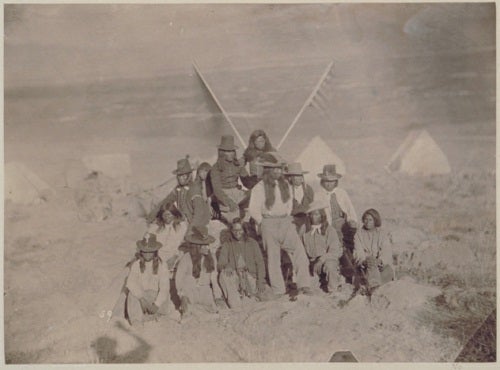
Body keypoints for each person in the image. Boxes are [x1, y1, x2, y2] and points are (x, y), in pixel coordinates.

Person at [248, 152, 312, 297]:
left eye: (279, 168)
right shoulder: (259, 187)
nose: (278, 171)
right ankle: (278, 290)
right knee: (273, 257)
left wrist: (287, 216)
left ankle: (304, 285)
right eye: (274, 169)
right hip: (268, 223)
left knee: (299, 252)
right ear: (267, 170)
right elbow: (253, 209)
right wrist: (262, 222)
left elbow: (289, 203)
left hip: (285, 222)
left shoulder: (286, 185)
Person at [147, 156, 211, 233]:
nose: (181, 178)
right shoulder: (178, 189)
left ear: (189, 176)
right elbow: (166, 201)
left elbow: (199, 213)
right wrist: (151, 216)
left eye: (184, 175)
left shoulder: (194, 189)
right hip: (185, 221)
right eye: (180, 175)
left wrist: (191, 229)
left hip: (198, 223)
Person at [124, 233, 176, 326]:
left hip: (156, 299)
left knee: (161, 298)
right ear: (141, 251)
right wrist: (141, 299)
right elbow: (130, 282)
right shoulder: (136, 264)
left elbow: (164, 288)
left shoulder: (162, 265)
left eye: (150, 251)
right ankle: (137, 321)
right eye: (145, 251)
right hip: (143, 298)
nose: (147, 254)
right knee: (132, 293)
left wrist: (156, 304)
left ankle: (156, 316)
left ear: (155, 251)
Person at [217, 218, 269, 308]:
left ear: (244, 230)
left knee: (268, 297)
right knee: (223, 275)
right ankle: (236, 303)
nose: (237, 233)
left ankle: (251, 297)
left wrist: (261, 281)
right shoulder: (227, 244)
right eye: (234, 230)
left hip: (251, 277)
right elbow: (221, 263)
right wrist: (227, 266)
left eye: (240, 230)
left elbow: (260, 263)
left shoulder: (252, 243)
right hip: (235, 277)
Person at [299, 200, 343, 294]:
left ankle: (333, 290)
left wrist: (321, 260)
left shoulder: (329, 230)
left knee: (330, 265)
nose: (313, 217)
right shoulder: (304, 229)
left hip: (326, 260)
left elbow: (334, 252)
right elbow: (300, 248)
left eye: (316, 214)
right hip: (311, 262)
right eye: (311, 214)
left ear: (322, 215)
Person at [210, 135, 256, 224]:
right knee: (235, 222)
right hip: (224, 196)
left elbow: (247, 181)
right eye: (228, 151)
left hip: (238, 194)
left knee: (255, 198)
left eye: (232, 151)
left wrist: (258, 184)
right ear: (222, 153)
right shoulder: (216, 168)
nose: (231, 153)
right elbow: (217, 190)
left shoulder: (237, 165)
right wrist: (229, 202)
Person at [175, 226, 218, 317]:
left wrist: (217, 296)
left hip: (204, 289)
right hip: (189, 289)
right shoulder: (186, 258)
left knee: (212, 311)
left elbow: (214, 279)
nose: (207, 247)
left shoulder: (212, 257)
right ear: (197, 246)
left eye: (207, 245)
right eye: (204, 245)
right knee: (187, 310)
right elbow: (179, 279)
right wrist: (182, 296)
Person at [353, 209, 394, 293]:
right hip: (365, 266)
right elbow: (358, 252)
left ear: (375, 220)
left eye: (370, 220)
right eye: (365, 219)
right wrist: (365, 261)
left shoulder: (382, 234)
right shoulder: (358, 234)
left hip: (380, 266)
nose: (367, 222)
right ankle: (373, 287)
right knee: (370, 265)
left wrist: (379, 261)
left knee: (388, 272)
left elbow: (387, 251)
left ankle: (369, 286)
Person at [147, 204, 187, 276]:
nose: (167, 217)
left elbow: (184, 245)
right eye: (164, 215)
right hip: (158, 257)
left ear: (174, 214)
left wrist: (175, 256)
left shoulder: (182, 226)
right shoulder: (155, 227)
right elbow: (148, 242)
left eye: (169, 214)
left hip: (176, 256)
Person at [284, 162, 314, 231]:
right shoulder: (287, 190)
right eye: (296, 176)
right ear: (290, 178)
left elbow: (312, 205)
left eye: (300, 175)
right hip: (292, 221)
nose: (299, 178)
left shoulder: (308, 189)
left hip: (306, 221)